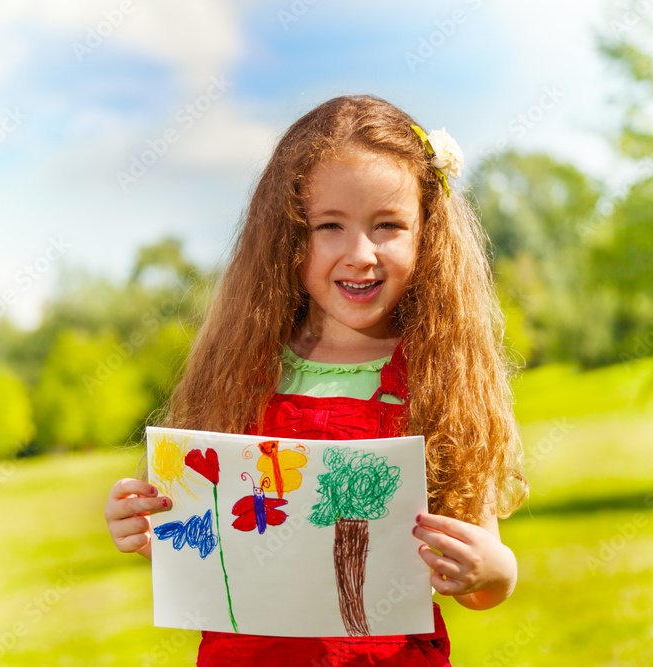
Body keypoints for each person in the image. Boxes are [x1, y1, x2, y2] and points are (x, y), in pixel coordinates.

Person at [105, 94, 527, 666]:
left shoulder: (439, 379)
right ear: (288, 235)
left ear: (426, 235)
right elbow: (220, 549)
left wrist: (494, 571)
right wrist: (148, 531)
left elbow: (482, 580)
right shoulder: (241, 372)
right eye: (330, 225)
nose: (360, 254)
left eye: (388, 226)